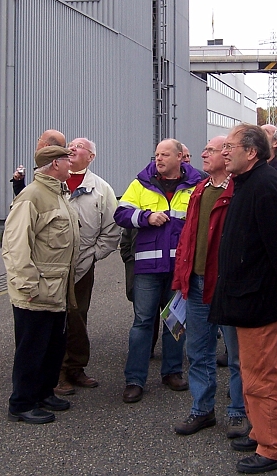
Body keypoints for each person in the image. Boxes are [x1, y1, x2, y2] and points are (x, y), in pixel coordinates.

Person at [209, 124, 277, 474]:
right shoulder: (248, 183)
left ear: (251, 152)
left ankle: (276, 447)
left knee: (265, 376)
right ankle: (261, 432)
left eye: (231, 146)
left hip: (260, 300)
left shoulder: (264, 186)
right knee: (252, 374)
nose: (224, 152)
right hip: (246, 299)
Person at [170, 136, 250, 439]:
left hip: (226, 285)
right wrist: (182, 278)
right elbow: (187, 237)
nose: (203, 154)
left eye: (211, 150)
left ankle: (238, 411)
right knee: (198, 351)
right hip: (197, 282)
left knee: (236, 355)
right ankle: (202, 410)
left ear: (227, 156)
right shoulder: (199, 190)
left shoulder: (239, 190)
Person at [114, 138, 203, 403]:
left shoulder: (197, 185)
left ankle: (172, 372)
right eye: (156, 155)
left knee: (175, 321)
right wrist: (145, 217)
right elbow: (120, 213)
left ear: (180, 157)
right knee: (142, 323)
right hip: (148, 267)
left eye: (164, 154)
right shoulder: (141, 183)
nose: (159, 159)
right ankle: (135, 380)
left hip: (179, 267)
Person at [3, 146, 80, 424]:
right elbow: (15, 245)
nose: (71, 163)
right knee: (31, 349)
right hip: (36, 290)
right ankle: (21, 403)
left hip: (56, 289)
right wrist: (26, 285)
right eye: (66, 159)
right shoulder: (32, 196)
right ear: (54, 163)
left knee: (52, 346)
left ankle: (44, 392)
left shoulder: (58, 192)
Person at [53, 138, 121, 395]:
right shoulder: (54, 183)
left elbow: (111, 230)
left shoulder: (101, 189)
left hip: (82, 267)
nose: (72, 148)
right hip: (52, 268)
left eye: (79, 146)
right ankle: (57, 372)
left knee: (78, 317)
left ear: (91, 156)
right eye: (70, 144)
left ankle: (76, 368)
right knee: (56, 319)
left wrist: (93, 256)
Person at [10, 129, 66, 197]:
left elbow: (34, 200)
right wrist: (18, 183)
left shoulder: (49, 171)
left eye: (39, 140)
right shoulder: (59, 168)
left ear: (46, 146)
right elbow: (34, 199)